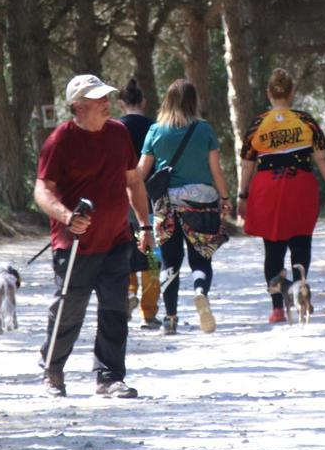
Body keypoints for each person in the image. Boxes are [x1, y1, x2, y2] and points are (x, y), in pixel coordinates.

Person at [33, 73, 154, 398]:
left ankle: (109, 377)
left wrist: (145, 226)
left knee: (115, 309)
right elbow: (42, 191)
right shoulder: (60, 141)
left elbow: (134, 182)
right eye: (97, 98)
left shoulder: (118, 134)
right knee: (70, 309)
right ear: (77, 106)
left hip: (116, 240)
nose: (106, 102)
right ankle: (53, 372)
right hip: (74, 245)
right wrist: (66, 217)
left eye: (106, 96)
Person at [237, 68, 325, 324]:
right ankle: (300, 285)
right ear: (292, 92)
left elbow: (248, 165)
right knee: (301, 242)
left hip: (267, 187)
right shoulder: (306, 121)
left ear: (268, 93)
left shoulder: (258, 125)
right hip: (301, 184)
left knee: (273, 248)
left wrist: (242, 195)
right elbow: (321, 157)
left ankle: (278, 309)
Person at [136, 79, 232, 335]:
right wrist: (225, 198)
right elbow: (216, 170)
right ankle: (200, 292)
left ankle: (169, 318)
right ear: (194, 101)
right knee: (201, 257)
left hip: (166, 204)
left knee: (170, 262)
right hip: (201, 201)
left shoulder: (156, 131)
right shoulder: (204, 130)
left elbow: (141, 172)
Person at [118, 80, 162, 330]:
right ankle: (149, 311)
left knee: (124, 249)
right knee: (152, 255)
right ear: (143, 102)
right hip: (151, 198)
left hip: (121, 198)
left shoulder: (114, 128)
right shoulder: (154, 128)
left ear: (121, 104)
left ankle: (128, 292)